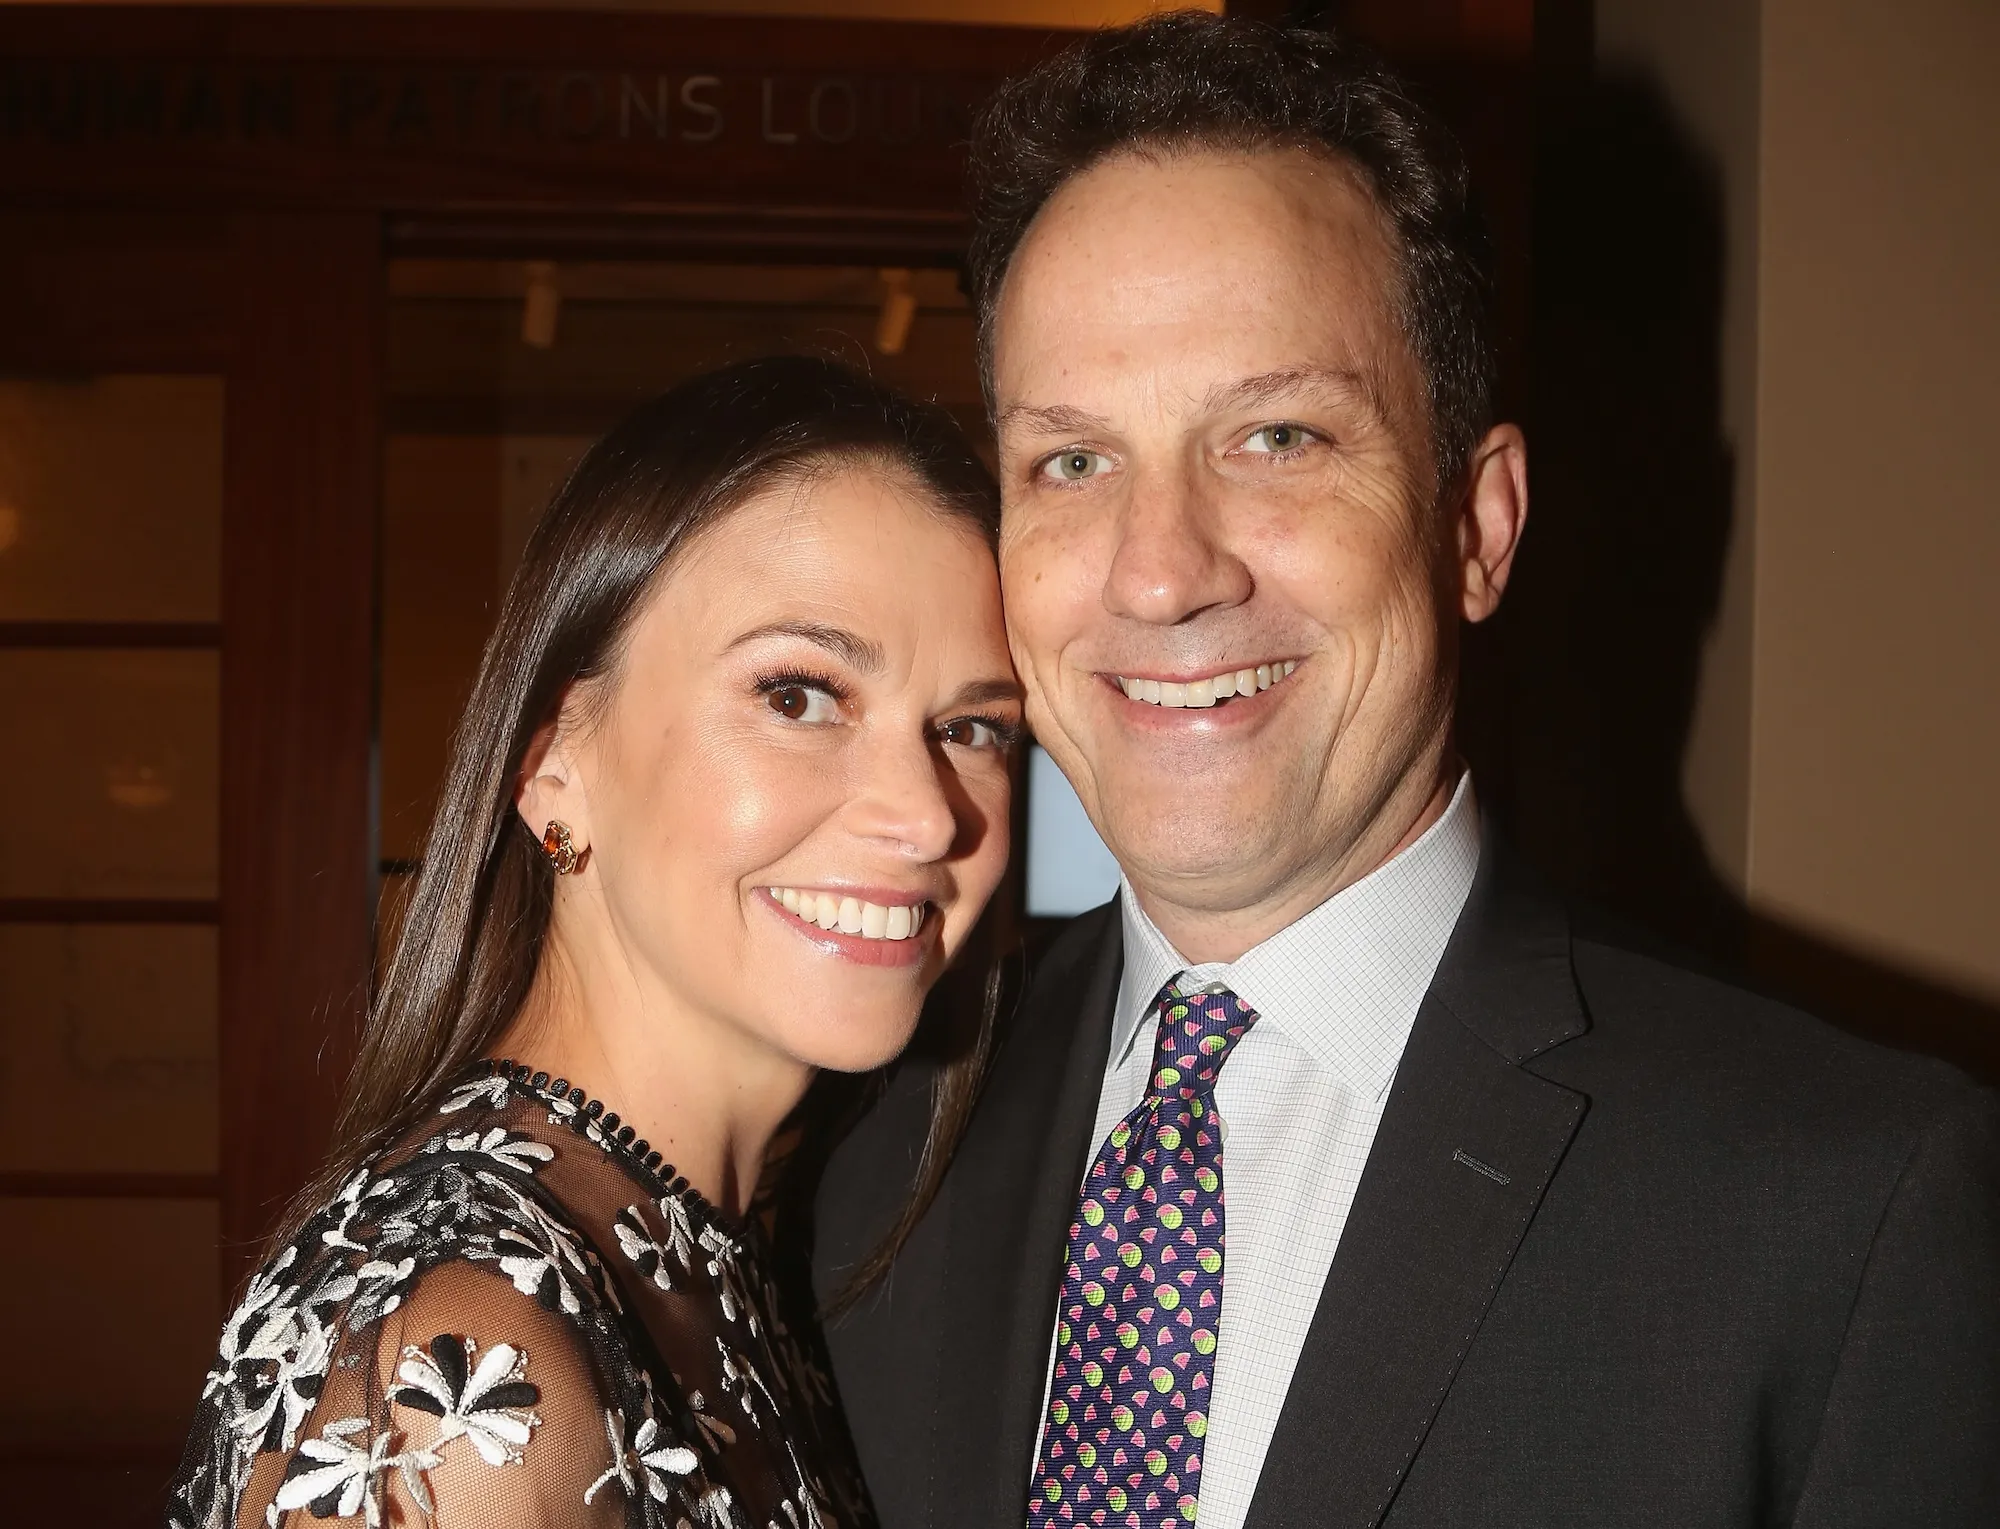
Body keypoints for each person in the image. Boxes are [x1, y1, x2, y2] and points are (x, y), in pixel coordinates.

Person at [813, 15, 2000, 1529]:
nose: (1161, 572)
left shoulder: (1847, 1217)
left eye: (1279, 435)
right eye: (1072, 461)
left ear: (1478, 528)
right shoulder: (869, 1147)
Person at [167, 356, 1024, 1529]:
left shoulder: (732, 1240)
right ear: (554, 761)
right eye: (797, 694)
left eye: (973, 724)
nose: (928, 814)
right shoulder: (462, 1371)